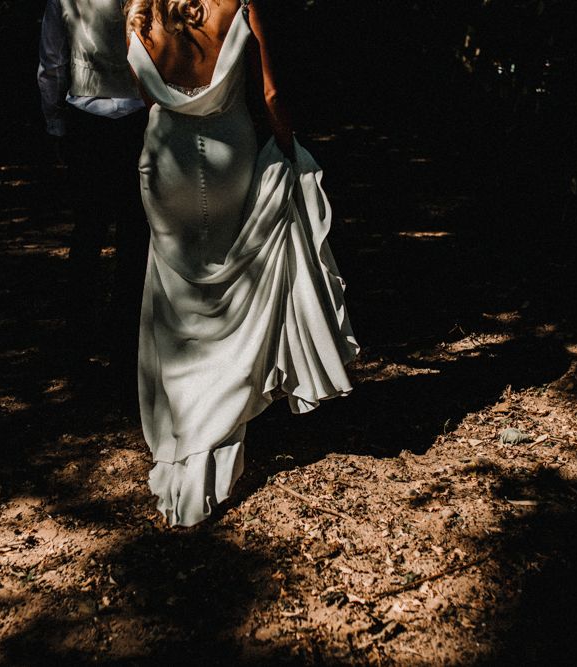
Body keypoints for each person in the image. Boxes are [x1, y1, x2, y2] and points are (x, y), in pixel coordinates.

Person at [125, 0, 359, 526]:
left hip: (167, 162)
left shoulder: (139, 11)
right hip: (230, 153)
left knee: (177, 302)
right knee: (228, 295)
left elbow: (144, 94)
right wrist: (288, 149)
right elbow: (272, 92)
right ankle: (220, 429)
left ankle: (185, 433)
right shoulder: (241, 4)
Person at [38, 0, 149, 398]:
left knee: (87, 232)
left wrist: (55, 124)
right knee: (133, 236)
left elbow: (52, 63)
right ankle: (125, 349)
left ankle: (79, 346)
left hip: (86, 117)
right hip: (137, 116)